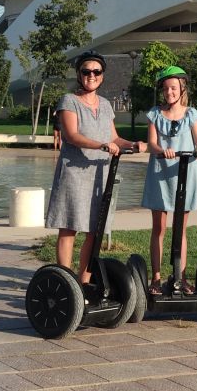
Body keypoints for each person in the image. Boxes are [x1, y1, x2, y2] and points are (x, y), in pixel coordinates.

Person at [46, 51, 146, 283]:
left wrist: (132, 144)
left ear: (102, 75)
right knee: (69, 226)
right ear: (79, 74)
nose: (91, 75)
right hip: (75, 173)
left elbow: (114, 137)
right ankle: (66, 282)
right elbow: (71, 136)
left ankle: (84, 282)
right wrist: (102, 145)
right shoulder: (69, 101)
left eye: (96, 71)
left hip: (101, 174)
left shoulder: (105, 104)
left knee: (94, 229)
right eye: (86, 71)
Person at [142, 66, 197, 294]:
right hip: (160, 172)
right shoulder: (154, 114)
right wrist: (161, 150)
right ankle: (155, 278)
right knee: (159, 228)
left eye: (173, 87)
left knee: (180, 230)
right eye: (165, 88)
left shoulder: (191, 114)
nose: (169, 92)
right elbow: (152, 143)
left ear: (181, 88)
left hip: (185, 172)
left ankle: (180, 277)